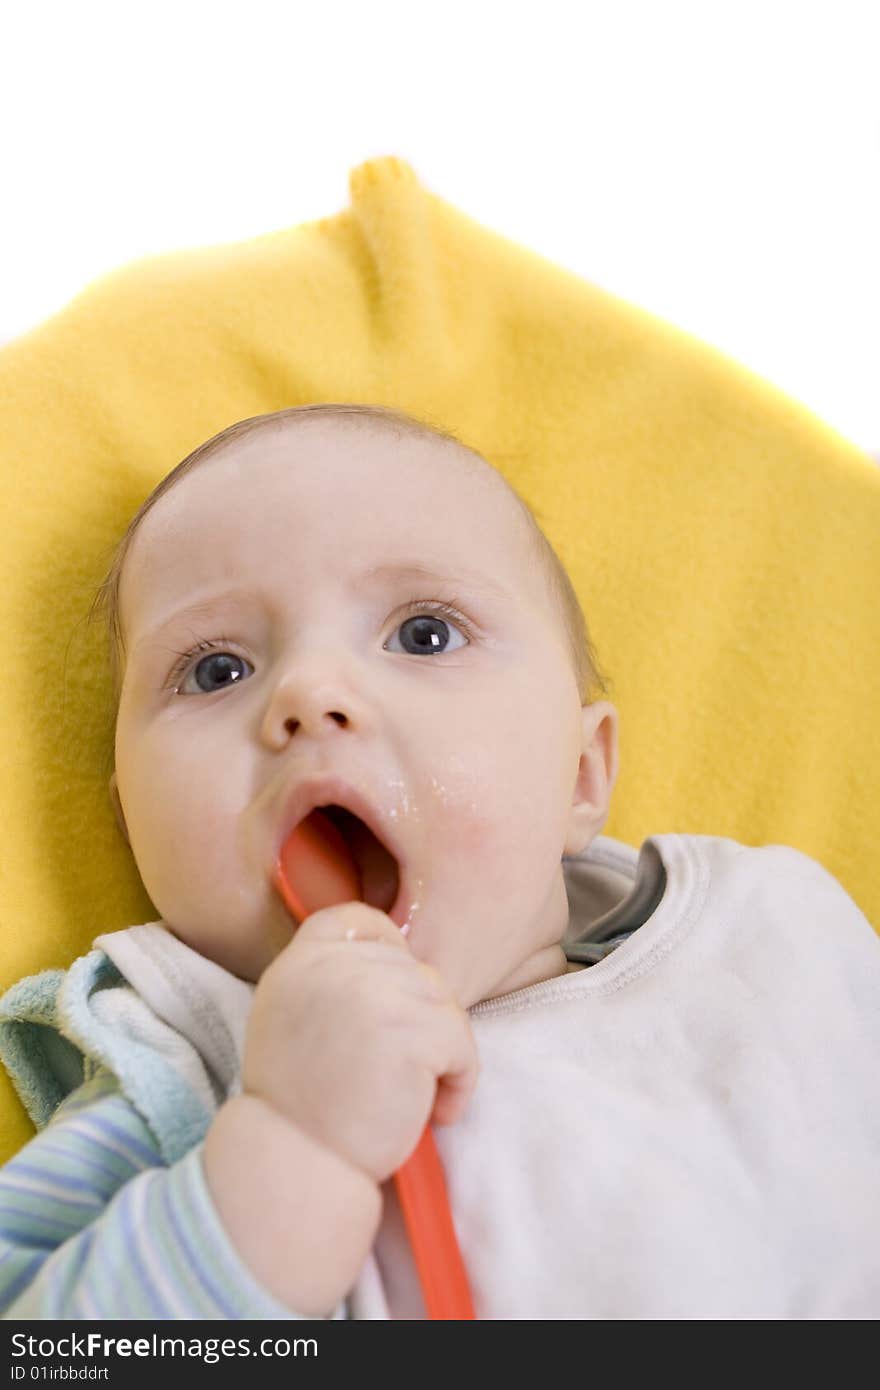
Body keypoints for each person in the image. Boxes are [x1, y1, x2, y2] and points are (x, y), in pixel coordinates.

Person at [0, 403, 877, 1320]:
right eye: (216, 670)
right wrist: (293, 1147)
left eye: (424, 634)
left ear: (580, 776)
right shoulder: (178, 1075)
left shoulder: (769, 942)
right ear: (131, 820)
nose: (309, 693)